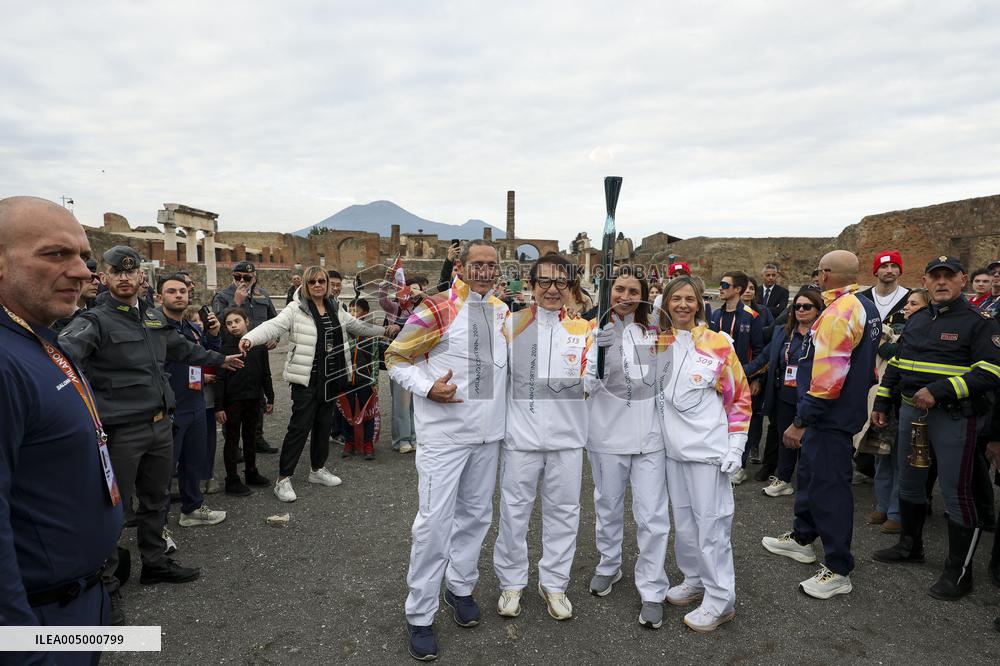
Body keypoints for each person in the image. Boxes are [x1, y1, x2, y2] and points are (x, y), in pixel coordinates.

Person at [59, 246, 243, 625]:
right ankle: (106, 587)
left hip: (160, 425)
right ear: (105, 278)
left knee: (157, 499)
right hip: (121, 432)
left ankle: (155, 562)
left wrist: (220, 359)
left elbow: (182, 348)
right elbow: (61, 358)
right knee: (112, 511)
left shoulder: (153, 318)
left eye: (131, 272)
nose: (124, 278)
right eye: (117, 272)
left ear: (141, 277)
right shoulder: (94, 321)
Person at [0, 197, 122, 662]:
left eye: (85, 257)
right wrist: (23, 650)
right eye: (56, 254)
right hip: (39, 619)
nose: (82, 272)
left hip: (82, 598)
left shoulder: (38, 336)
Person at [385, 239, 509, 661]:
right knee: (434, 524)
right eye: (477, 264)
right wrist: (427, 388)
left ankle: (460, 587)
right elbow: (396, 358)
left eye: (491, 265)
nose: (485, 271)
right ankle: (420, 613)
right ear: (460, 266)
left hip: (488, 436)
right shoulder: (438, 307)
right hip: (444, 437)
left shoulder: (502, 311)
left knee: (476, 517)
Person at [871, 256, 1000, 600]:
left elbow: (991, 371)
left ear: (962, 280)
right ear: (925, 282)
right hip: (910, 412)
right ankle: (910, 547)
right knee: (910, 483)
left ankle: (959, 573)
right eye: (935, 277)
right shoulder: (917, 319)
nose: (941, 282)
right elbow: (897, 363)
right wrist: (882, 401)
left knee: (957, 494)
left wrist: (940, 390)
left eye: (948, 276)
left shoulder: (979, 322)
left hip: (952, 416)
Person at [761, 250, 881, 600]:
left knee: (830, 488)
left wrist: (801, 420)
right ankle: (802, 538)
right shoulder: (865, 305)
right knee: (811, 477)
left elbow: (829, 379)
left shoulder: (840, 312)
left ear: (825, 274)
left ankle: (839, 568)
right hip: (834, 413)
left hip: (829, 417)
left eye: (819, 271)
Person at [492, 254, 595, 623]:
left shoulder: (586, 330)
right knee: (514, 513)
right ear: (531, 286)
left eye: (560, 282)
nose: (553, 289)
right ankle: (511, 582)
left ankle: (554, 583)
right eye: (545, 282)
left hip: (568, 439)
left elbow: (592, 383)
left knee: (564, 514)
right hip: (521, 440)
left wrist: (601, 361)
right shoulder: (511, 325)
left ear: (570, 286)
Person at [239, 266, 395, 502]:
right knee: (299, 428)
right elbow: (273, 325)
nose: (317, 285)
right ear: (305, 284)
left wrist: (384, 330)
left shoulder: (335, 307)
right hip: (306, 379)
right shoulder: (295, 308)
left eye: (321, 281)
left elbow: (357, 326)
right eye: (312, 282)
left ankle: (317, 469)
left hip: (332, 377)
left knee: (323, 425)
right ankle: (283, 479)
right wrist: (250, 338)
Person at [652, 276, 751, 632]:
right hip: (672, 451)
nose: (682, 305)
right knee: (685, 524)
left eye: (689, 299)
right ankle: (694, 579)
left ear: (699, 304)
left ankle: (721, 600)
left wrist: (736, 445)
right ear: (666, 302)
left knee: (712, 527)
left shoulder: (717, 344)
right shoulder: (658, 343)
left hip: (708, 451)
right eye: (675, 298)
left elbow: (739, 397)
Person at [585, 267, 669, 629]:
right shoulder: (590, 329)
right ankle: (609, 565)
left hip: (649, 436)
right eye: (619, 289)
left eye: (633, 291)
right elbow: (585, 385)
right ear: (609, 291)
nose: (625, 297)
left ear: (644, 296)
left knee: (651, 516)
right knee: (608, 505)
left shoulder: (656, 332)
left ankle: (652, 588)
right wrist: (597, 355)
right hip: (606, 434)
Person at [157, 275, 228, 530]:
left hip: (195, 401)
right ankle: (158, 525)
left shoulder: (192, 328)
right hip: (170, 407)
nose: (179, 295)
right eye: (171, 291)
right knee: (163, 470)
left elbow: (204, 357)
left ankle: (192, 509)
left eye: (182, 291)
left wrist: (214, 335)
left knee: (193, 461)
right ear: (160, 297)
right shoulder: (155, 329)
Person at [744, 288, 823, 497]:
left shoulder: (824, 335)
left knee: (810, 441)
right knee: (785, 439)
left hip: (811, 398)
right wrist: (736, 373)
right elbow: (763, 360)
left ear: (818, 309)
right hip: (784, 396)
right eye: (797, 306)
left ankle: (808, 484)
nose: (801, 310)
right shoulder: (783, 332)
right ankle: (784, 479)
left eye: (807, 306)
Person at [865, 288, 929, 533]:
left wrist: (884, 344)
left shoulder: (926, 332)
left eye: (914, 304)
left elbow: (890, 352)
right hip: (888, 402)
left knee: (902, 462)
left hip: (910, 404)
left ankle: (896, 512)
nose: (907, 307)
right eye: (907, 303)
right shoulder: (904, 329)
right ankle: (882, 506)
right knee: (882, 456)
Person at [213, 260, 279, 454]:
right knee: (232, 400)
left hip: (257, 353)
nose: (242, 281)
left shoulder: (262, 294)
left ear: (254, 277)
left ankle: (256, 438)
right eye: (237, 277)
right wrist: (236, 303)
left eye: (247, 278)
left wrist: (275, 337)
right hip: (232, 353)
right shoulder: (222, 296)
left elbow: (275, 321)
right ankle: (233, 446)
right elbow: (216, 326)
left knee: (257, 397)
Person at [710, 270, 764, 483]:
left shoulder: (752, 317)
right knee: (718, 420)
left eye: (725, 285)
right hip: (716, 381)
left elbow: (759, 351)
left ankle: (739, 465)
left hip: (742, 381)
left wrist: (756, 379)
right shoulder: (716, 315)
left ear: (738, 290)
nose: (720, 288)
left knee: (739, 422)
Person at [215, 308, 274, 496]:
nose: (233, 326)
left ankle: (251, 472)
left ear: (246, 322)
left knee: (250, 437)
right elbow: (220, 380)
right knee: (232, 440)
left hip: (254, 399)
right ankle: (232, 479)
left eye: (237, 321)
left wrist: (270, 397)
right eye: (229, 323)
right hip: (233, 401)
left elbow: (265, 373)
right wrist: (218, 407)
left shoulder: (259, 346)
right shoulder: (224, 348)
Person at [380, 270, 429, 454]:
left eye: (417, 289)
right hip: (399, 360)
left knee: (416, 402)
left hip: (417, 360)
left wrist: (423, 296)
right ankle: (401, 440)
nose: (413, 293)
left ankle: (414, 437)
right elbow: (382, 299)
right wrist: (387, 280)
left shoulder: (424, 310)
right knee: (401, 402)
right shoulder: (395, 308)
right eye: (411, 289)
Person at [340, 298, 381, 460]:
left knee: (367, 413)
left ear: (365, 313)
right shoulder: (343, 332)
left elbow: (375, 358)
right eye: (350, 311)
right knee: (347, 413)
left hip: (365, 379)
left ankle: (368, 443)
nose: (352, 314)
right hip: (346, 380)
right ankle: (349, 442)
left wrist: (374, 381)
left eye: (356, 311)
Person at [52, 257, 100, 333]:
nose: (97, 282)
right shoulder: (55, 316)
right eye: (89, 278)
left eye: (97, 278)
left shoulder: (98, 307)